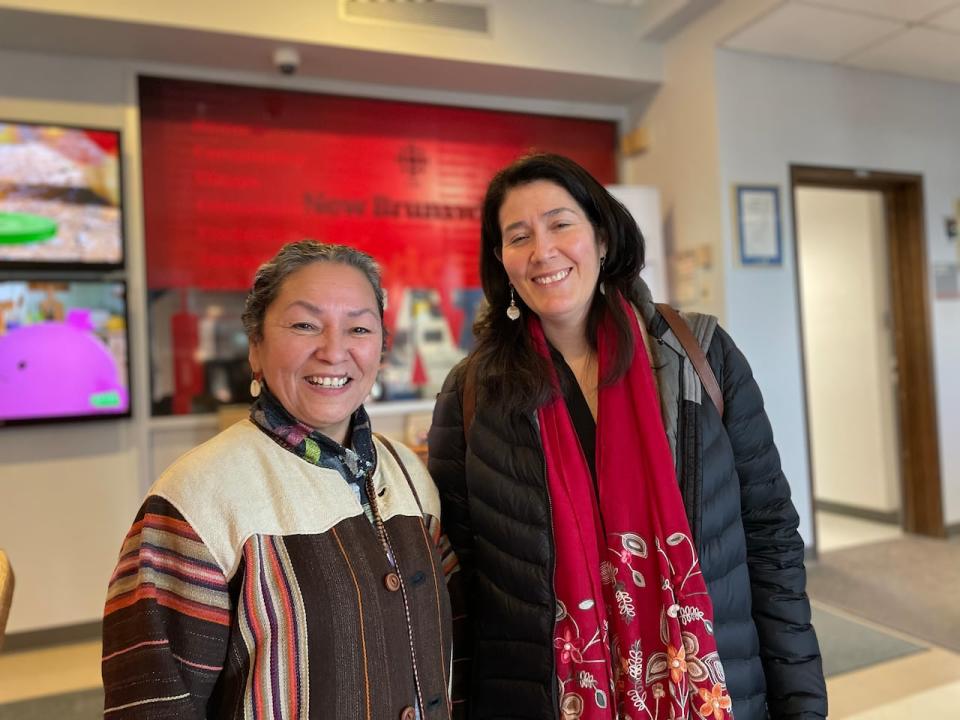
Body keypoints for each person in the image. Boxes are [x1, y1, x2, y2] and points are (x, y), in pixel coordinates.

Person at [428, 154, 827, 720]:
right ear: (502, 262)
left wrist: (801, 703)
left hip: (715, 689)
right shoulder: (471, 396)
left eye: (560, 224)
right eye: (518, 237)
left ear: (602, 234)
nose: (542, 251)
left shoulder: (701, 356)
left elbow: (770, 538)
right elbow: (461, 586)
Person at [103, 241, 456, 720]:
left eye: (358, 327)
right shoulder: (196, 497)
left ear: (380, 348)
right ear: (255, 345)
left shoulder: (410, 476)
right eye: (305, 325)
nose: (334, 351)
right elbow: (152, 702)